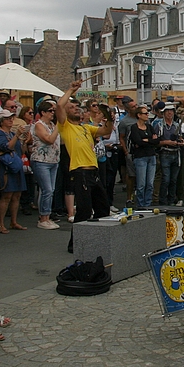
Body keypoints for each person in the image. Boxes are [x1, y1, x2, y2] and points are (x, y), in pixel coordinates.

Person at [56, 81, 113, 250]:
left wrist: (109, 118)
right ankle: (75, 244)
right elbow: (59, 105)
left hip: (93, 171)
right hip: (80, 171)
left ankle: (96, 238)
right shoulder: (65, 126)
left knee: (103, 208)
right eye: (72, 107)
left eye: (77, 107)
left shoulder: (86, 128)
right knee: (84, 210)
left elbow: (106, 131)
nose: (76, 108)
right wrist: (71, 89)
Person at [0, 109, 27, 234]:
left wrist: (24, 141)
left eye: (11, 118)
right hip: (6, 168)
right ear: (1, 121)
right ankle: (1, 224)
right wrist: (17, 136)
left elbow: (21, 151)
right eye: (7, 118)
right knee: (6, 195)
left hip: (15, 165)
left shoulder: (12, 134)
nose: (11, 120)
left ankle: (13, 221)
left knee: (17, 195)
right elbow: (6, 147)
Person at [30, 101, 62, 230]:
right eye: (50, 111)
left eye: (54, 111)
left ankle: (46, 216)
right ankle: (43, 218)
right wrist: (58, 127)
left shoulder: (52, 125)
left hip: (53, 160)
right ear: (43, 112)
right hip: (41, 160)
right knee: (47, 190)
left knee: (50, 190)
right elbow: (49, 139)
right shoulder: (39, 125)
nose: (53, 113)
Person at [130, 105, 159, 209]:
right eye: (145, 113)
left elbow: (156, 141)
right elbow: (138, 141)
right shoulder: (134, 127)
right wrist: (150, 140)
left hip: (151, 156)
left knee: (150, 183)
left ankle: (148, 204)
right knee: (141, 184)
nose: (147, 115)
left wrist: (147, 140)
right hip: (140, 157)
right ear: (139, 115)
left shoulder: (149, 127)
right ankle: (140, 204)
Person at [157, 103, 183, 206]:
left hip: (176, 153)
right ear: (163, 113)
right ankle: (163, 201)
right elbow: (155, 142)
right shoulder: (159, 125)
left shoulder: (176, 125)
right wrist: (167, 142)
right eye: (167, 111)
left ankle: (171, 200)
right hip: (165, 153)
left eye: (171, 111)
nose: (169, 113)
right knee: (166, 179)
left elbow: (180, 137)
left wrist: (181, 142)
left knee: (173, 180)